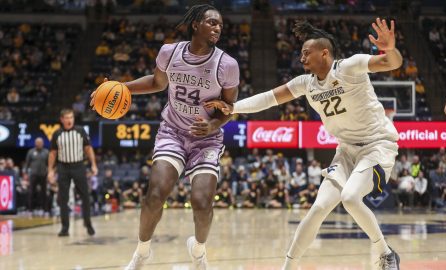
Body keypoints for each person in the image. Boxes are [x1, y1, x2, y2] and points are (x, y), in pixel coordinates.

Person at [206, 18, 402, 269]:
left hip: (377, 145)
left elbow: (392, 62)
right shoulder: (305, 84)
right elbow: (269, 99)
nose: (301, 58)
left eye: (306, 53)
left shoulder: (349, 67)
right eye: (301, 54)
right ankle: (288, 266)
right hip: (346, 150)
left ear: (324, 53)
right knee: (319, 207)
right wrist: (234, 107)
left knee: (351, 198)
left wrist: (391, 49)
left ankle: (385, 254)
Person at [90, 5, 239, 269]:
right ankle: (142, 252)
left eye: (220, 25)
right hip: (172, 131)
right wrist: (119, 87)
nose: (217, 28)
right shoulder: (170, 52)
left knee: (202, 203)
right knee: (155, 194)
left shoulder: (227, 65)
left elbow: (229, 108)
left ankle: (199, 251)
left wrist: (213, 126)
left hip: (205, 139)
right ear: (196, 24)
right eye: (212, 23)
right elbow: (157, 83)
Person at [47, 109, 97, 237]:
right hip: (63, 167)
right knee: (63, 198)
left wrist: (93, 164)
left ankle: (88, 224)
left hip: (79, 166)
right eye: (67, 118)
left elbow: (88, 148)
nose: (69, 120)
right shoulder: (57, 133)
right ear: (62, 119)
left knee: (85, 196)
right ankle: (65, 228)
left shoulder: (80, 131)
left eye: (71, 117)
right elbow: (53, 153)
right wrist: (50, 171)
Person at [25, 137, 49, 215]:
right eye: (37, 142)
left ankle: (45, 209)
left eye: (40, 142)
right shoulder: (31, 152)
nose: (39, 144)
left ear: (43, 143)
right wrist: (25, 173)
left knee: (44, 192)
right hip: (33, 175)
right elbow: (27, 163)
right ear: (35, 143)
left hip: (43, 175)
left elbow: (49, 164)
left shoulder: (46, 152)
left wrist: (49, 173)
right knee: (31, 192)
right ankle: (30, 209)